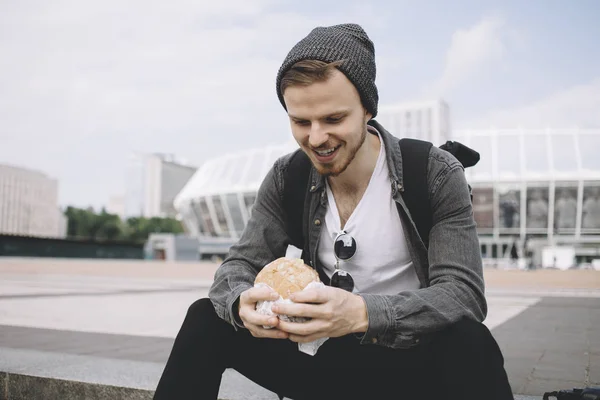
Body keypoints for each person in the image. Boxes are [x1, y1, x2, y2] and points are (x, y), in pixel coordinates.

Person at [153, 23, 514, 400]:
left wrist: (360, 313)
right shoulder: (286, 176)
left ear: (368, 109)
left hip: (409, 363)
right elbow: (237, 266)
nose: (316, 138)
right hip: (319, 358)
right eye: (300, 122)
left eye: (333, 119)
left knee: (472, 342)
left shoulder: (434, 172)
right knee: (206, 317)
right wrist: (243, 302)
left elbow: (462, 295)